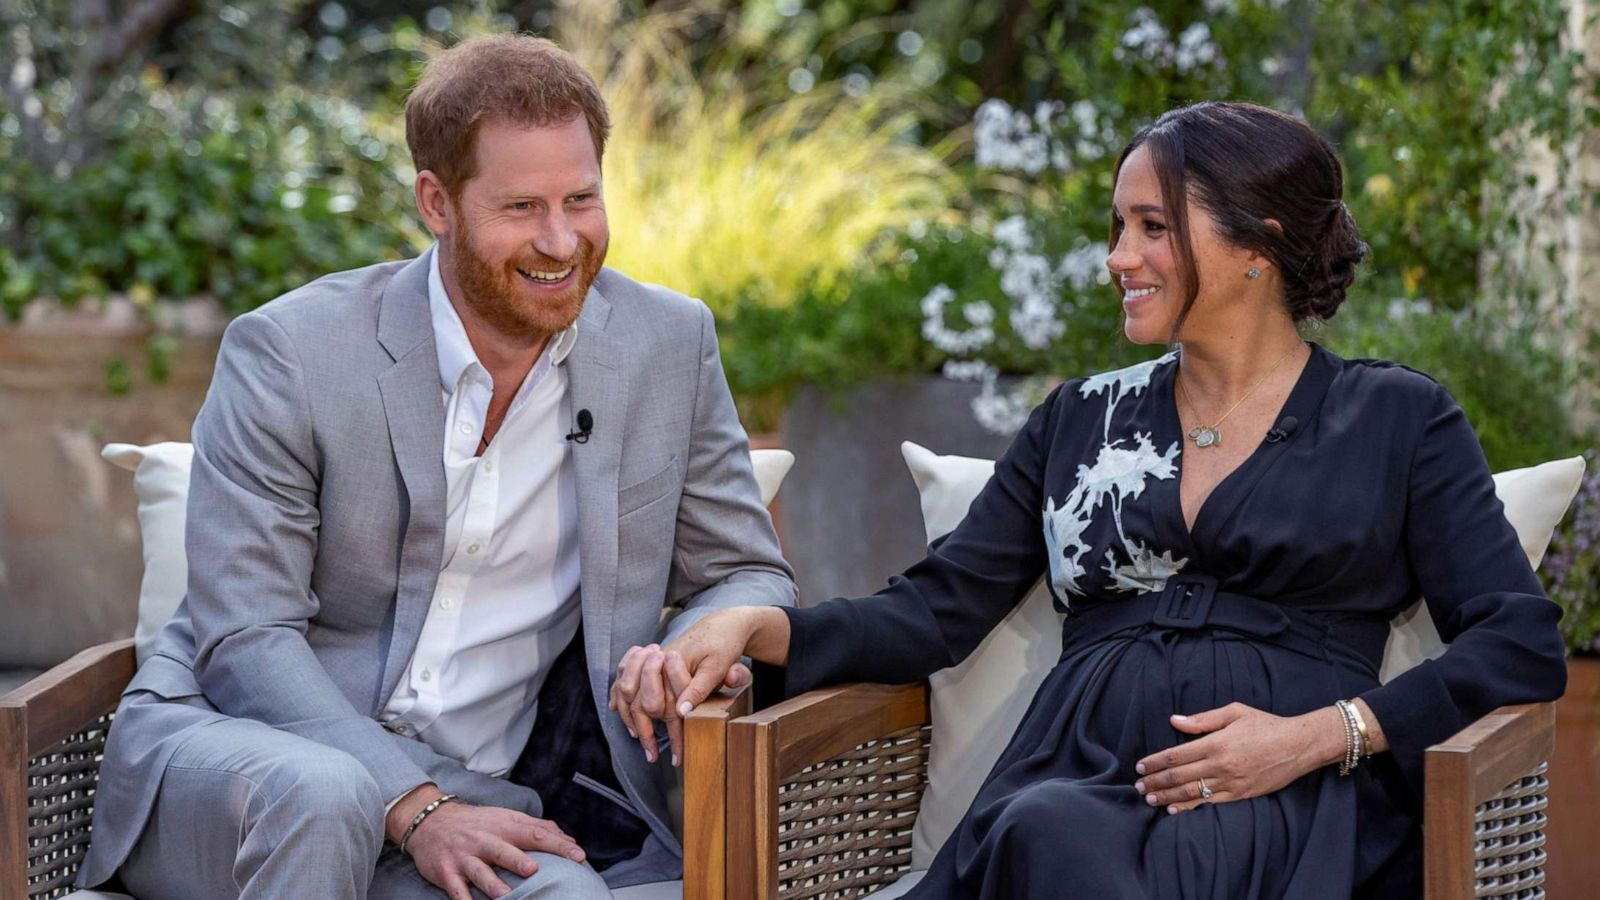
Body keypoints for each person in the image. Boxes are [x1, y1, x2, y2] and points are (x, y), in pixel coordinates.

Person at [645, 101, 1568, 898]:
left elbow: (1519, 640)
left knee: (1049, 843)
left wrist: (1326, 737)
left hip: (1284, 797)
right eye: (1118, 227)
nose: (1118, 257)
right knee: (1044, 833)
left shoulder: (1396, 418)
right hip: (1072, 779)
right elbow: (933, 612)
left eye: (1152, 227)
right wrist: (757, 629)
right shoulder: (1081, 419)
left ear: (1260, 242)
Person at [75, 34, 795, 900]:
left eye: (581, 198)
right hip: (242, 766)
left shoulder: (667, 346)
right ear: (436, 202)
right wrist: (412, 804)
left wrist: (697, 636)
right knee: (328, 793)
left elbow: (745, 570)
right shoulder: (291, 353)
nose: (562, 241)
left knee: (570, 895)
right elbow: (244, 638)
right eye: (522, 207)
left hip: (479, 794)